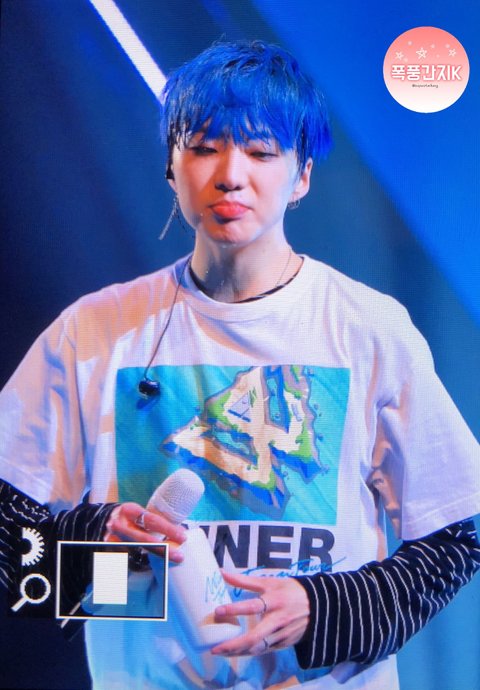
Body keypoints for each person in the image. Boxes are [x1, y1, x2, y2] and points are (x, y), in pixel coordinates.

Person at [1, 40, 479, 690]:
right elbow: (11, 532)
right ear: (171, 168)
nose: (230, 175)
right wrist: (95, 546)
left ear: (302, 175)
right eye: (204, 148)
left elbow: (455, 538)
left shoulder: (369, 328)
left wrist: (322, 608)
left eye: (260, 152)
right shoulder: (92, 331)